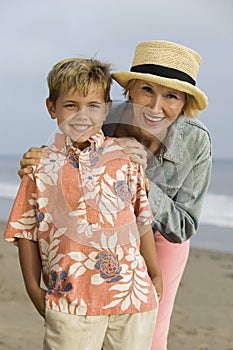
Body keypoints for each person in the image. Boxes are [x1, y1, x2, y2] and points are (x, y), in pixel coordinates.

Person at [18, 40, 212, 350]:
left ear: (185, 102)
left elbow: (184, 226)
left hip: (162, 235)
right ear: (130, 90)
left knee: (151, 333)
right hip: (103, 231)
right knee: (92, 323)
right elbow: (72, 149)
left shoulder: (195, 141)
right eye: (147, 90)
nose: (155, 106)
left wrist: (146, 186)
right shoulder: (104, 114)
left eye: (171, 96)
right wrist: (42, 156)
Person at [4, 57, 163, 350]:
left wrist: (154, 274)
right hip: (70, 301)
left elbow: (140, 217)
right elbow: (26, 231)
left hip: (133, 299)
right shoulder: (39, 166)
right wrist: (33, 289)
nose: (82, 115)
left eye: (92, 106)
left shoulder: (124, 158)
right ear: (52, 108)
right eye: (70, 105)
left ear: (106, 108)